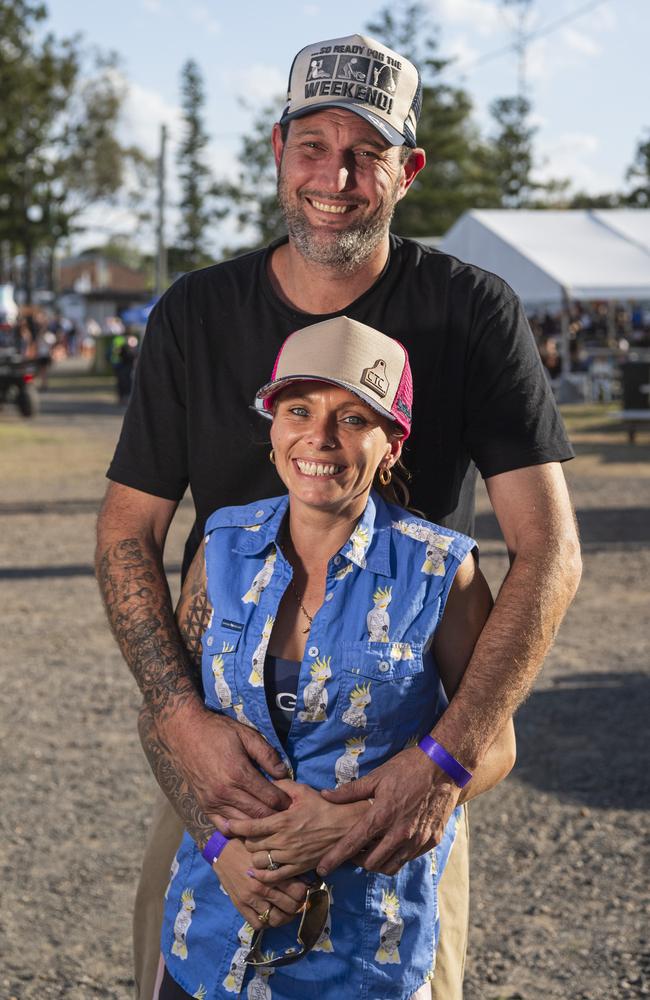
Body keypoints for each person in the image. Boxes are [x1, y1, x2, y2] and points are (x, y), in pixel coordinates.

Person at [95, 32, 581, 1000]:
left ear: (408, 169)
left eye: (365, 150)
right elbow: (126, 534)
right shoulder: (196, 312)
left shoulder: (467, 310)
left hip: (395, 750)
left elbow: (547, 549)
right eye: (311, 144)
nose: (335, 174)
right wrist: (185, 724)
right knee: (183, 964)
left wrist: (438, 762)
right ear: (277, 151)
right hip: (225, 744)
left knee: (402, 974)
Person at [149, 317, 516, 1000]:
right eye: (299, 410)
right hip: (212, 932)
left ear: (391, 446)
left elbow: (494, 747)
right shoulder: (220, 549)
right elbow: (164, 722)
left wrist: (353, 824)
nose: (319, 438)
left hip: (365, 948)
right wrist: (217, 849)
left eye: (352, 418)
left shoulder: (442, 570)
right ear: (272, 426)